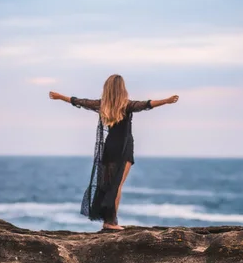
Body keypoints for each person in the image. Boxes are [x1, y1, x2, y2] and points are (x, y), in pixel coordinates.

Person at [49, 74, 179, 231]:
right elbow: (146, 104)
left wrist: (60, 97)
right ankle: (111, 222)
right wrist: (166, 101)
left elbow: (80, 101)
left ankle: (109, 220)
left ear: (107, 89)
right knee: (116, 186)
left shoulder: (103, 105)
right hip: (123, 148)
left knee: (110, 185)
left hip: (109, 147)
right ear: (122, 89)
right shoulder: (126, 105)